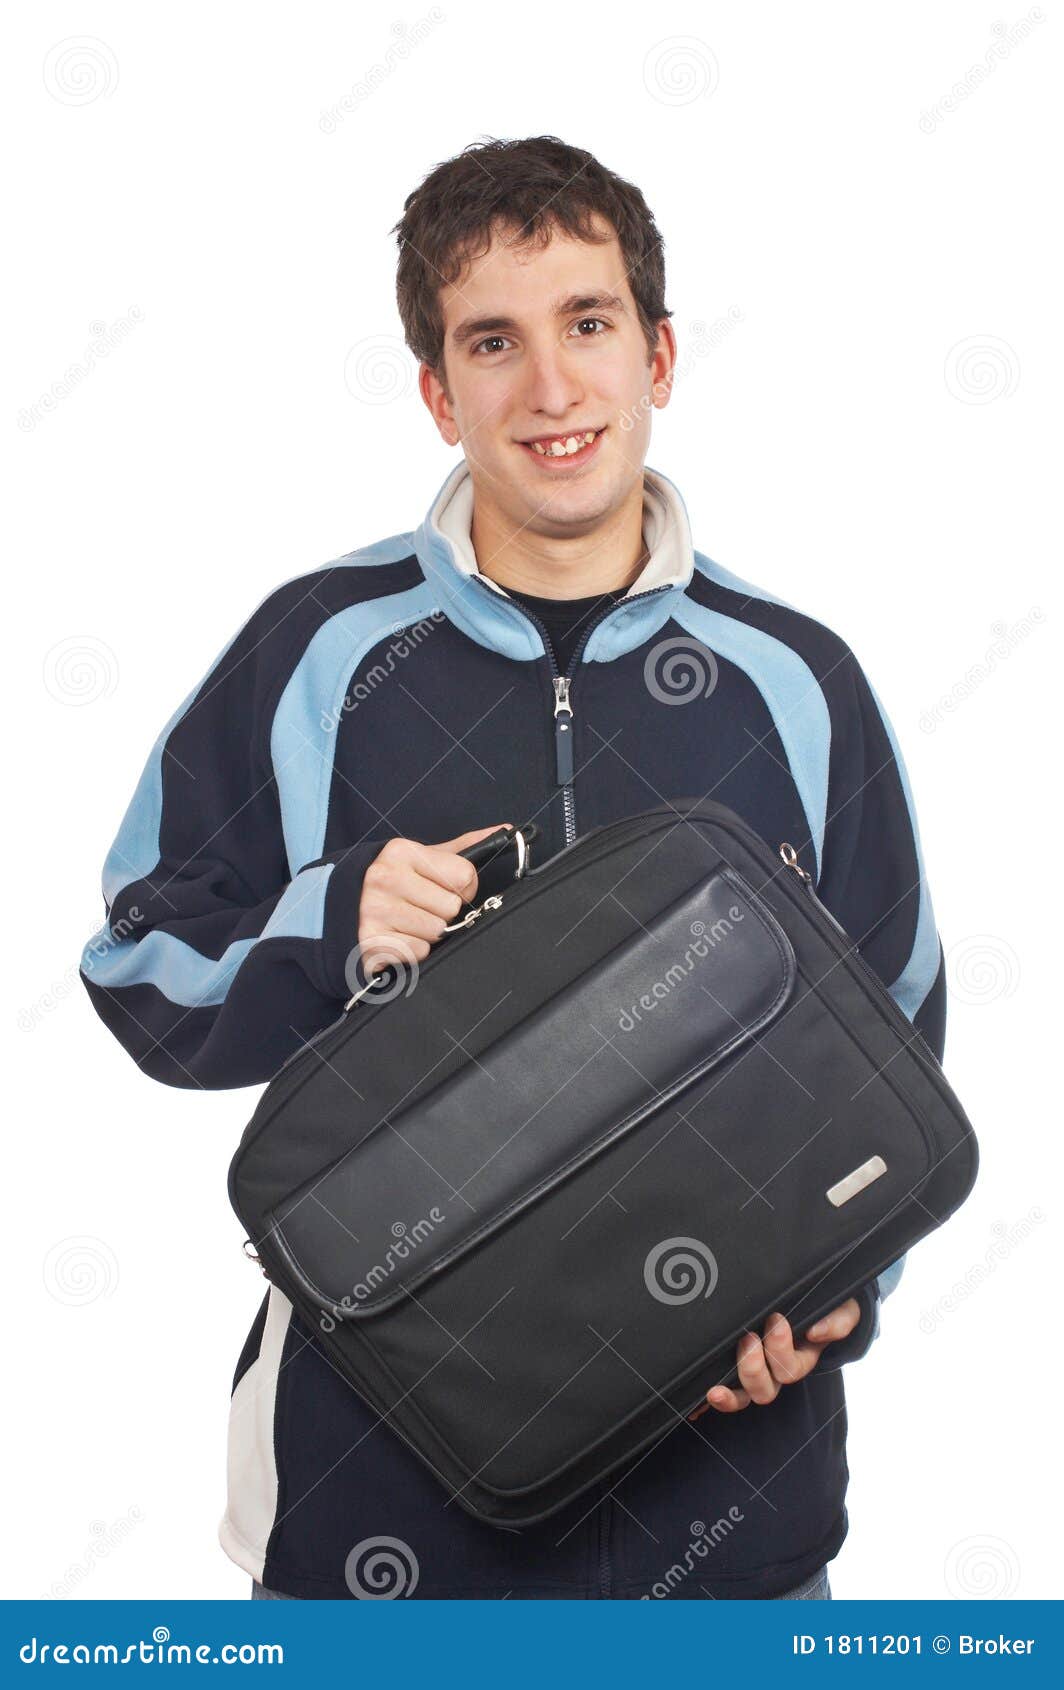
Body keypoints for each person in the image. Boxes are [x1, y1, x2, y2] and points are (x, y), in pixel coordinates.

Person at [79, 135, 944, 1600]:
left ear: (659, 355)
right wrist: (331, 921)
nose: (551, 390)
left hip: (733, 1515)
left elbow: (896, 1030)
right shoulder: (319, 655)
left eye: (588, 325)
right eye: (495, 341)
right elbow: (136, 968)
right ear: (438, 390)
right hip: (382, 1522)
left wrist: (829, 1292)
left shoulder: (795, 681)